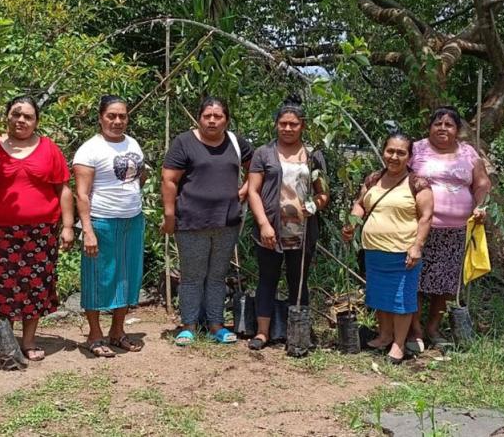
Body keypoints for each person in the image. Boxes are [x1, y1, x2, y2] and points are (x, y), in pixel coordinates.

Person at [0, 96, 73, 362]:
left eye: (28, 116)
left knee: (36, 285)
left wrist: (68, 225)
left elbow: (63, 189)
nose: (21, 120)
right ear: (6, 116)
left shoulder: (49, 149)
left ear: (37, 122)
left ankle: (29, 341)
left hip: (40, 232)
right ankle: (6, 339)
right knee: (2, 286)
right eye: (16, 114)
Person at [161, 96, 253, 346]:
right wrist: (169, 215)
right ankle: (188, 325)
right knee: (192, 275)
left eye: (218, 116)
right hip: (191, 220)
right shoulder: (184, 142)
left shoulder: (236, 143)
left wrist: (244, 190)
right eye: (207, 116)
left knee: (217, 276)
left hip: (227, 220)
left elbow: (257, 168)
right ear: (199, 118)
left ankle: (216, 325)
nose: (212, 121)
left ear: (227, 119)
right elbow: (169, 179)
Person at [342, 133, 433, 363]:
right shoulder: (374, 179)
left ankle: (398, 345)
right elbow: (360, 204)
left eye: (401, 152)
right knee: (380, 295)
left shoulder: (417, 183)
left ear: (409, 157)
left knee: (401, 299)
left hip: (403, 252)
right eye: (390, 151)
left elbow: (426, 217)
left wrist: (417, 247)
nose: (394, 156)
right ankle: (384, 336)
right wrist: (352, 223)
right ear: (383, 152)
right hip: (374, 251)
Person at [247, 99, 329, 350]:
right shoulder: (264, 153)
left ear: (302, 126)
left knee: (299, 280)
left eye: (293, 124)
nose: (288, 128)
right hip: (271, 229)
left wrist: (313, 206)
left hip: (303, 231)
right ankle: (262, 333)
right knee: (267, 279)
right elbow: (253, 191)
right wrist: (264, 225)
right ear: (276, 125)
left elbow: (323, 193)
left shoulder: (314, 155)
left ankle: (298, 333)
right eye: (283, 123)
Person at [408, 107, 490, 349]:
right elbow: (399, 173)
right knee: (415, 280)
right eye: (438, 123)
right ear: (429, 127)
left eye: (449, 124)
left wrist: (481, 205)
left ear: (457, 130)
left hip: (456, 231)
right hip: (420, 228)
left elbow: (482, 184)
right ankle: (415, 329)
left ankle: (433, 327)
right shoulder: (417, 149)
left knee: (445, 284)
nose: (442, 128)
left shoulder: (468, 153)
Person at [73, 95, 146, 357]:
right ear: (101, 117)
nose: (117, 121)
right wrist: (88, 230)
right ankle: (94, 334)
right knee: (97, 276)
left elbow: (139, 178)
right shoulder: (89, 150)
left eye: (122, 116)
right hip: (102, 221)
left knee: (127, 276)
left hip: (132, 220)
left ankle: (117, 330)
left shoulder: (133, 144)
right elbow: (82, 194)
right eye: (111, 116)